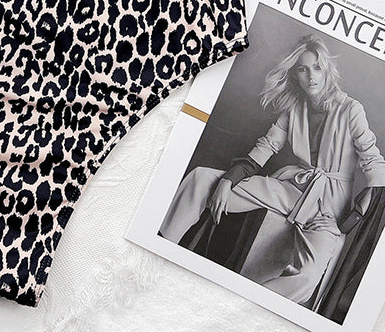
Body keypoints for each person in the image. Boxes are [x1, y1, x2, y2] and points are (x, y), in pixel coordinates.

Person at [158, 34, 385, 304]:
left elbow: (376, 167)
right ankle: (159, 250)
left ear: (327, 70)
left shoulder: (350, 109)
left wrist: (345, 222)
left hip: (327, 210)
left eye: (317, 68)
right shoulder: (294, 109)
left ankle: (240, 305)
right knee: (202, 178)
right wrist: (228, 181)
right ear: (295, 74)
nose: (311, 76)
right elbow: (266, 147)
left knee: (307, 278)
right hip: (289, 190)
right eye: (303, 69)